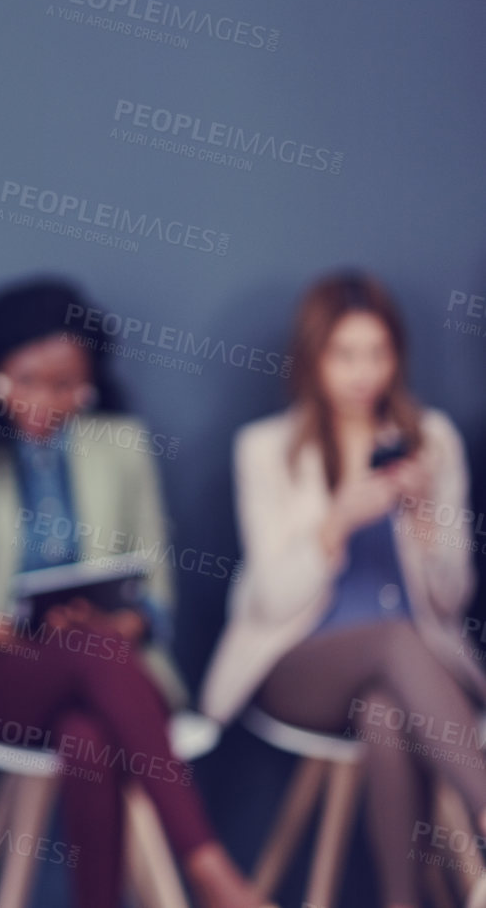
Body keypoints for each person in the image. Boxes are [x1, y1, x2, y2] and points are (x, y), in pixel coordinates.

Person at [0, 277, 264, 908]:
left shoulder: (120, 447)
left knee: (88, 737)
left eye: (68, 385)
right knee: (87, 651)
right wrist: (20, 630)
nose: (49, 400)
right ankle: (210, 869)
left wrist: (121, 621)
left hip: (108, 664)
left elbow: (153, 592)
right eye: (29, 380)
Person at [201, 271, 485, 908]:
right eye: (345, 354)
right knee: (389, 641)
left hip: (421, 670)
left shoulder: (432, 441)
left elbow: (452, 597)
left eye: (378, 354)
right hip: (301, 665)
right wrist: (334, 523)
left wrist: (424, 520)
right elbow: (270, 598)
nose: (365, 373)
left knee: (385, 709)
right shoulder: (267, 449)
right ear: (313, 358)